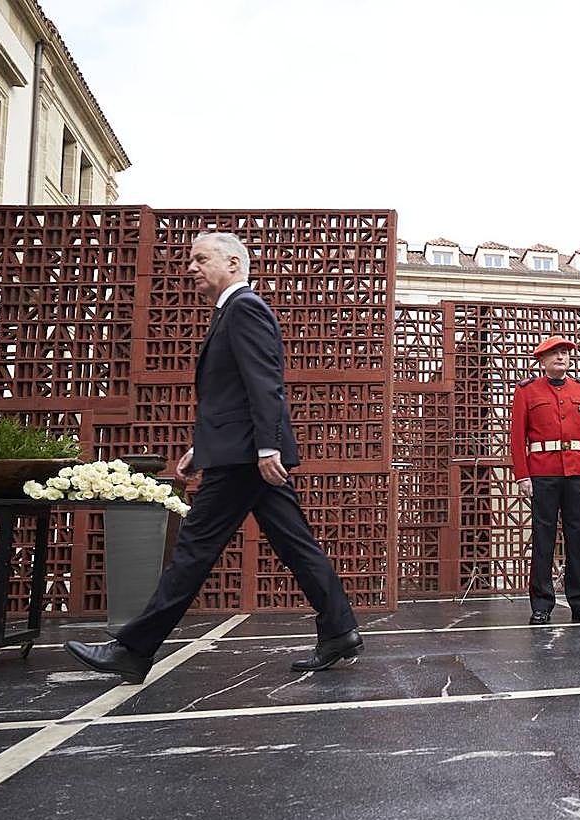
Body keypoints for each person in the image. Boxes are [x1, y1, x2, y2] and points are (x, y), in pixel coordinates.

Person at [65, 233, 363, 683]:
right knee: (295, 544)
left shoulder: (244, 308)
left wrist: (267, 447)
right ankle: (339, 631)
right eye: (191, 260)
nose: (191, 268)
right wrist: (201, 449)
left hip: (245, 459)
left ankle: (132, 650)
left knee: (193, 550)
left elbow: (265, 382)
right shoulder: (231, 311)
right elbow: (233, 395)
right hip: (240, 453)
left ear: (234, 263)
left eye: (201, 259)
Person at [510, 336, 580, 626]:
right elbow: (517, 436)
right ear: (542, 360)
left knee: (578, 539)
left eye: (564, 353)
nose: (561, 357)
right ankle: (541, 605)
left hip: (577, 471)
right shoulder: (526, 391)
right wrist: (523, 475)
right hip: (543, 472)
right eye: (554, 354)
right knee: (543, 539)